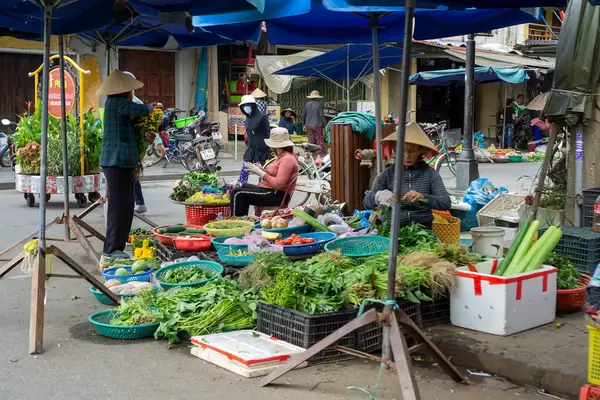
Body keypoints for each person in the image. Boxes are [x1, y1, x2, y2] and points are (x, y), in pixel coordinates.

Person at [99, 70, 153, 259]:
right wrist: (153, 108)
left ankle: (118, 246)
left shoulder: (119, 105)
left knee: (126, 205)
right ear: (124, 92)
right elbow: (143, 110)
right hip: (116, 162)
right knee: (117, 206)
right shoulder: (115, 104)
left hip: (123, 162)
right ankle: (111, 249)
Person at [363, 122, 451, 229]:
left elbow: (445, 202)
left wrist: (423, 198)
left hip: (421, 232)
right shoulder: (388, 174)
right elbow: (366, 202)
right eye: (402, 151)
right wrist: (378, 197)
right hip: (391, 230)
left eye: (412, 151)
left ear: (420, 151)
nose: (407, 156)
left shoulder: (430, 174)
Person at [230, 128, 298, 216]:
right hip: (270, 190)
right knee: (240, 185)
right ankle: (243, 220)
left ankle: (236, 225)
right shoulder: (282, 156)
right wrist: (261, 169)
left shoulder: (287, 159)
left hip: (276, 195)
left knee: (237, 193)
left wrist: (261, 173)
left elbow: (279, 184)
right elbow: (276, 174)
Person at [122, 71, 149, 214]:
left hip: (134, 146)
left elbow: (147, 115)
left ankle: (138, 202)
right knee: (131, 175)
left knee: (133, 174)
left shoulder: (134, 103)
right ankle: (137, 202)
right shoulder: (122, 102)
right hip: (129, 146)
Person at [237, 95, 271, 185]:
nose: (246, 108)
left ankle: (266, 186)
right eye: (244, 106)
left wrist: (267, 147)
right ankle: (241, 186)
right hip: (250, 148)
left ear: (253, 105)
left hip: (262, 148)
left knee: (263, 171)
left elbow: (267, 134)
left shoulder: (262, 117)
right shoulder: (248, 118)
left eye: (248, 105)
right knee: (245, 169)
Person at [302, 90, 327, 157]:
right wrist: (325, 125)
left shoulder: (307, 104)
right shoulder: (319, 105)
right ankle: (318, 154)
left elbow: (303, 115)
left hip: (309, 125)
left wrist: (304, 124)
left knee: (311, 139)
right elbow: (321, 115)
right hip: (317, 124)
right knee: (319, 139)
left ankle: (311, 154)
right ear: (318, 98)